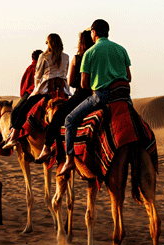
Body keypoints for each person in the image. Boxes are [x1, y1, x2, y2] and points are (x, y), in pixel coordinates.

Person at [58, 19, 132, 176]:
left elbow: (84, 84)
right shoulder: (121, 49)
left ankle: (69, 159)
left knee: (69, 120)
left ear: (94, 33)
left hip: (101, 97)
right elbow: (129, 77)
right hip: (123, 97)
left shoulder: (89, 54)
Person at [35, 30, 94, 163]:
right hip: (96, 95)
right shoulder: (94, 58)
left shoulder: (77, 58)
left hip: (80, 96)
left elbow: (72, 82)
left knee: (59, 117)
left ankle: (48, 147)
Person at [3, 33, 70, 149]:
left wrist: (35, 90)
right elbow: (65, 73)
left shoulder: (44, 56)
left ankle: (14, 137)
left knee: (23, 110)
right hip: (62, 90)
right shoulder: (66, 57)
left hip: (46, 91)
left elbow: (38, 76)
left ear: (49, 43)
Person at [9, 49, 43, 130]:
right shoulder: (44, 68)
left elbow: (25, 83)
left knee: (15, 111)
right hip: (43, 91)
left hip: (31, 92)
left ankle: (12, 131)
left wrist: (23, 94)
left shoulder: (31, 68)